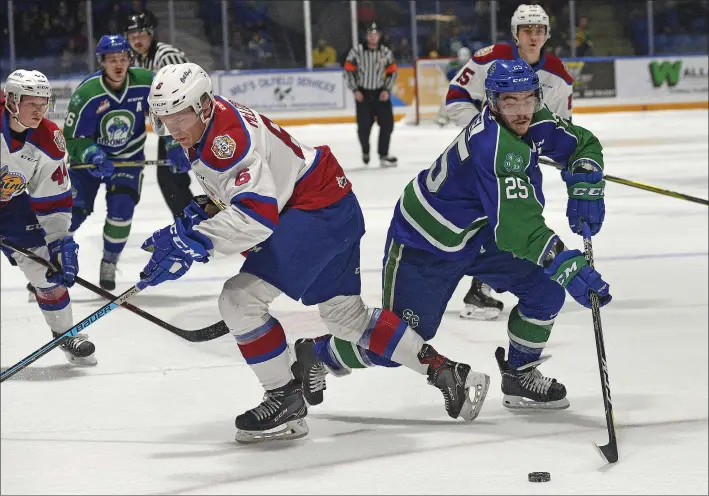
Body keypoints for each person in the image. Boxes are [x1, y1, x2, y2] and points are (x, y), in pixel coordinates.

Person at [139, 62, 489, 443]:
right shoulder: (209, 127)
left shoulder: (225, 140)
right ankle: (449, 373)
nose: (173, 128)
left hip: (315, 212)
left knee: (239, 301)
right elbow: (245, 191)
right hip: (331, 206)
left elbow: (256, 217)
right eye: (165, 118)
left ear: (204, 105)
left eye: (179, 116)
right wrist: (195, 220)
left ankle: (284, 400)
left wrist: (193, 241)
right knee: (345, 318)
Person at [301, 58, 610, 412]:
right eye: (510, 101)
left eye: (528, 99)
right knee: (401, 343)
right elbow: (516, 229)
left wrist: (587, 178)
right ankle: (320, 354)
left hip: (477, 234)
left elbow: (582, 143)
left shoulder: (533, 120)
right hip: (425, 242)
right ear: (491, 102)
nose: (522, 110)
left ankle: (519, 374)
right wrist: (565, 262)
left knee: (545, 289)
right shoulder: (495, 147)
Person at [445, 4, 574, 321]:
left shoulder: (558, 75)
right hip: (485, 154)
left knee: (519, 213)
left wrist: (571, 160)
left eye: (539, 30)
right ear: (516, 33)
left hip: (523, 159)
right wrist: (490, 136)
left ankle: (483, 285)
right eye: (527, 30)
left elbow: (562, 126)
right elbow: (456, 98)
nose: (533, 36)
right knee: (498, 214)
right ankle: (477, 285)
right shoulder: (491, 57)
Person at [1, 69, 96, 366]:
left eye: (44, 103)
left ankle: (66, 333)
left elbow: (52, 198)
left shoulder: (47, 138)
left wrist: (59, 243)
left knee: (46, 270)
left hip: (11, 207)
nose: (39, 110)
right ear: (12, 101)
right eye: (32, 104)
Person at [63, 34, 156, 290]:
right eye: (112, 59)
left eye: (123, 58)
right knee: (72, 213)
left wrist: (173, 145)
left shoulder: (146, 83)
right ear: (101, 62)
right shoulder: (87, 94)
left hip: (129, 159)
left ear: (130, 60)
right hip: (90, 163)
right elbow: (73, 137)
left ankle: (109, 262)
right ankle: (54, 259)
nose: (118, 64)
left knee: (121, 212)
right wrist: (92, 154)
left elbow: (168, 113)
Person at [124, 12, 193, 220]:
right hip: (170, 128)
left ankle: (192, 227)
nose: (137, 40)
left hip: (188, 124)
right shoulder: (136, 60)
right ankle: (189, 226)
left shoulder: (166, 56)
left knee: (176, 179)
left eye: (141, 34)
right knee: (171, 180)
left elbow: (184, 96)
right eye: (131, 35)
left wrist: (176, 137)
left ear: (151, 34)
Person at [344, 22, 398, 167]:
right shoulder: (357, 51)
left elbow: (393, 72)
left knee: (387, 124)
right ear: (366, 36)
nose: (372, 37)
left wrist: (387, 90)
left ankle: (383, 154)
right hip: (363, 93)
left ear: (379, 36)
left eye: (375, 35)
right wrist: (355, 90)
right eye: (370, 35)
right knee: (364, 127)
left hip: (381, 93)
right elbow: (348, 70)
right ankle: (365, 150)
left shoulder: (386, 52)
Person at [435, 47, 472, 126]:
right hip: (457, 88)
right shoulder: (453, 64)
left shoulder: (474, 64)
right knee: (446, 95)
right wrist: (455, 70)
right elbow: (449, 77)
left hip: (471, 89)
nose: (464, 60)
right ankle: (443, 117)